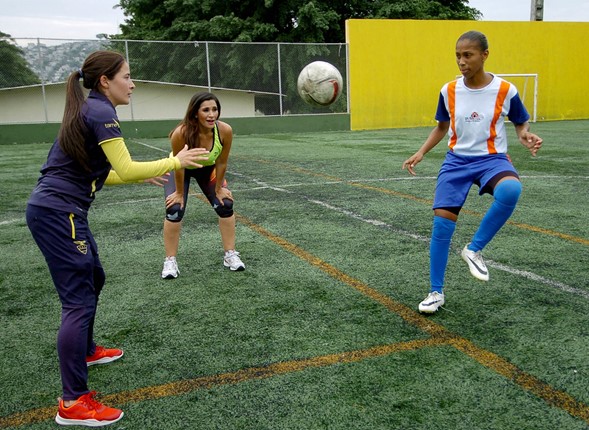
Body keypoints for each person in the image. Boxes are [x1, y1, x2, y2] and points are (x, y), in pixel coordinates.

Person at [26, 50, 210, 427]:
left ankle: (88, 352)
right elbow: (123, 166)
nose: (133, 83)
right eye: (127, 76)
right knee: (77, 301)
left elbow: (97, 173)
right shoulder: (100, 111)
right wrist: (178, 160)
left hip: (61, 209)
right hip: (59, 213)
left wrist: (134, 175)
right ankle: (73, 402)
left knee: (95, 278)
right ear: (105, 81)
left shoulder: (89, 109)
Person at [402, 31, 542, 314]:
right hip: (456, 162)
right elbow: (442, 126)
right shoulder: (448, 90)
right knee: (442, 224)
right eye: (458, 56)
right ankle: (435, 292)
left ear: (484, 55)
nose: (462, 61)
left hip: (492, 158)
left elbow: (520, 121)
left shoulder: (506, 90)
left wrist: (525, 135)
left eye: (468, 55)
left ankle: (474, 249)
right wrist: (421, 152)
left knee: (511, 189)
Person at [161, 92, 245, 279]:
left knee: (225, 205)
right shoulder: (180, 133)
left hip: (208, 169)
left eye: (214, 109)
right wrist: (180, 193)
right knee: (175, 208)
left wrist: (219, 189)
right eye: (205, 110)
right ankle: (170, 260)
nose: (211, 114)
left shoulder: (224, 131)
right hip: (180, 168)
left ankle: (230, 254)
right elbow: (180, 165)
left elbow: (222, 162)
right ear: (195, 113)